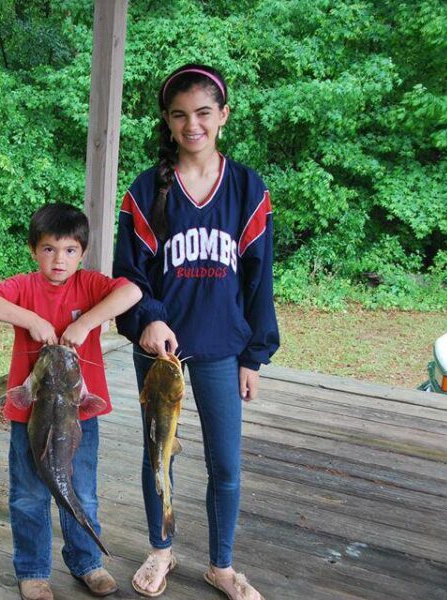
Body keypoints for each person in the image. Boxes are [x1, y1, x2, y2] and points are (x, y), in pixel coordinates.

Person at [113, 64, 279, 600]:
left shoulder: (248, 189)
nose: (193, 125)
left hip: (222, 351)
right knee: (157, 453)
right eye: (180, 115)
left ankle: (222, 566)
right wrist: (150, 317)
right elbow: (129, 274)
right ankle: (161, 549)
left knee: (226, 462)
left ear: (223, 116)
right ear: (167, 119)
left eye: (204, 113)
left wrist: (254, 356)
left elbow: (259, 281)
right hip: (161, 352)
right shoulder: (147, 190)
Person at [0, 202, 143, 600]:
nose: (59, 259)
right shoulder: (25, 288)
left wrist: (86, 322)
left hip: (79, 416)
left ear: (82, 254)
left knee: (81, 490)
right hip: (29, 415)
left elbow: (132, 291)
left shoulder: (91, 286)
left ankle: (87, 562)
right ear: (34, 250)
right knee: (29, 493)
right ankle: (32, 570)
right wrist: (29, 319)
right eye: (48, 249)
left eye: (69, 250)